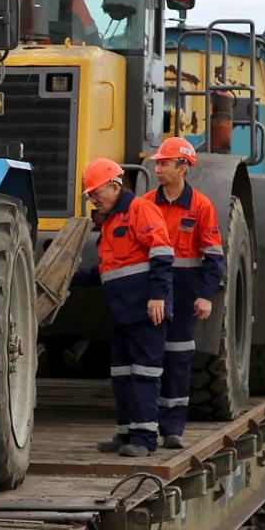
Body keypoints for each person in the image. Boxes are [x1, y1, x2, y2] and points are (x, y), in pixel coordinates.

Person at [73, 158, 175, 457]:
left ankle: (144, 439)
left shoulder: (139, 210)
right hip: (122, 313)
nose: (93, 200)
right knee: (121, 375)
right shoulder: (111, 221)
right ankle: (126, 432)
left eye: (95, 193)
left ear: (115, 187)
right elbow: (107, 269)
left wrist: (157, 296)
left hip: (145, 311)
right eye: (90, 195)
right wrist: (70, 279)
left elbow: (161, 253)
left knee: (144, 374)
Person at [144, 138, 225, 449]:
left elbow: (214, 258)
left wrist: (205, 296)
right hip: (155, 291)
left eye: (164, 163)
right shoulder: (148, 203)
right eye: (158, 162)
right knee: (151, 359)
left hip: (185, 293)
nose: (157, 167)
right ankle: (147, 426)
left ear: (183, 168)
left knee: (178, 360)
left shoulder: (201, 206)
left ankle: (173, 428)